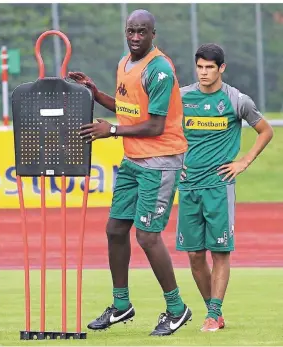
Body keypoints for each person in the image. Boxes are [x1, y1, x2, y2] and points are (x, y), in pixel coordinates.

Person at [68, 9, 192, 336]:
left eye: (142, 32)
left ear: (154, 34)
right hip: (134, 161)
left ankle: (177, 309)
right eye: (131, 31)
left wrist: (110, 132)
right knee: (114, 229)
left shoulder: (160, 69)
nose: (135, 37)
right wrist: (96, 94)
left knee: (148, 236)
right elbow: (127, 110)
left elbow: (154, 125)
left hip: (161, 160)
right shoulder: (125, 63)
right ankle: (121, 305)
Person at [177, 43, 273, 332]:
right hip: (188, 185)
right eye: (200, 67)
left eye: (210, 67)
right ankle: (213, 312)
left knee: (219, 252)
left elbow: (265, 130)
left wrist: (244, 161)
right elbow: (165, 129)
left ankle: (213, 313)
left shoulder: (236, 100)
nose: (204, 72)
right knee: (194, 256)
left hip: (219, 186)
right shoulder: (182, 98)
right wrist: (175, 159)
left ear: (222, 68)